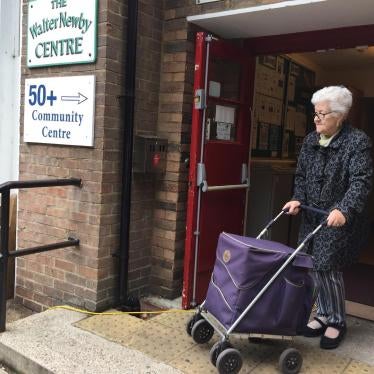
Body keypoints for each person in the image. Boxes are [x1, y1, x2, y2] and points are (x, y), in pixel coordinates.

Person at [283, 85, 373, 349]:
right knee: (314, 265)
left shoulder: (357, 142)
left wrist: (344, 209)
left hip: (337, 218)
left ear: (340, 115)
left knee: (328, 268)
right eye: (315, 113)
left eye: (321, 114)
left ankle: (336, 320)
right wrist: (298, 198)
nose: (316, 119)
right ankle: (322, 314)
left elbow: (361, 181)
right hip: (312, 216)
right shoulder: (311, 141)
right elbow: (300, 176)